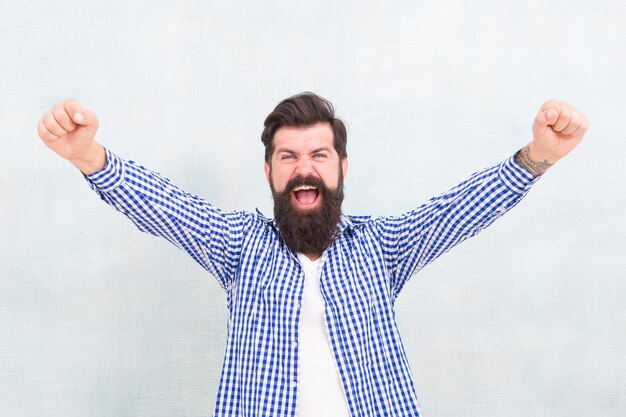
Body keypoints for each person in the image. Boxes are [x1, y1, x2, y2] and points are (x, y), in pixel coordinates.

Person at [37, 92, 588, 417]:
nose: (304, 167)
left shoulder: (382, 248)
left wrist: (535, 158)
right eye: (289, 156)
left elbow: (456, 210)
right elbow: (170, 208)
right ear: (270, 171)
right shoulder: (241, 247)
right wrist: (89, 156)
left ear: (342, 168)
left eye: (319, 154)